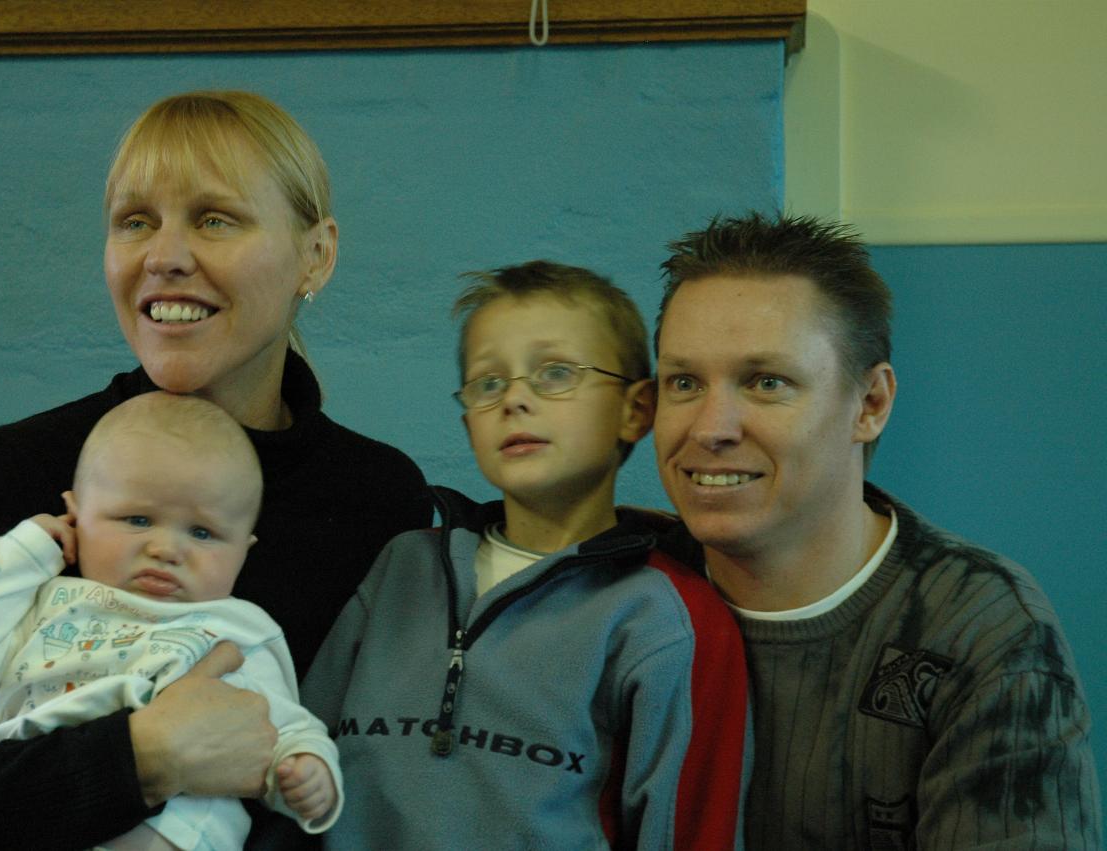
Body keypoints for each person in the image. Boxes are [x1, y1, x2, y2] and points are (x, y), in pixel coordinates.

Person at [0, 90, 431, 850]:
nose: (166, 257)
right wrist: (145, 756)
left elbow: (378, 792)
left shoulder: (380, 497)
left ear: (317, 254)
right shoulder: (16, 468)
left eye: (216, 218)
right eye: (135, 222)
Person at [651, 211, 1102, 849]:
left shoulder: (982, 628)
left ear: (870, 405)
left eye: (766, 382)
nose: (709, 427)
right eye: (685, 382)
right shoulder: (616, 594)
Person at [299, 261, 752, 849]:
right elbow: (295, 747)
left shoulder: (666, 620)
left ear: (635, 409)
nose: (514, 399)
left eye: (555, 373)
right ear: (468, 424)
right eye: (488, 382)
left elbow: (692, 833)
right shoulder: (402, 569)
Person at [0, 392, 342, 850]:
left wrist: (305, 768)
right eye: (138, 519)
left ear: (244, 548)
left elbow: (275, 728)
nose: (166, 549)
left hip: (172, 834)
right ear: (75, 515)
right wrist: (25, 551)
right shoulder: (43, 604)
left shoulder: (236, 629)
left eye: (202, 533)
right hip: (32, 810)